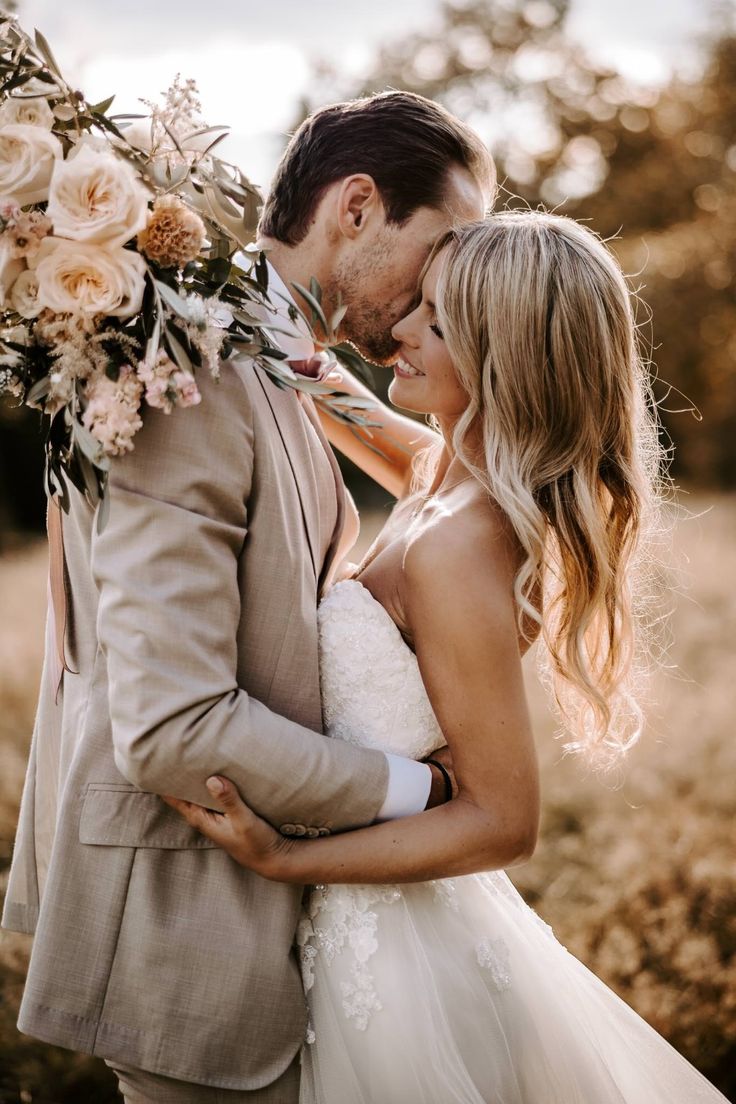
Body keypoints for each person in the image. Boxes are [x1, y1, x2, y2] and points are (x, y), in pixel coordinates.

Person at [167, 211, 730, 1103]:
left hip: (398, 955)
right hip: (361, 915)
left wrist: (283, 858)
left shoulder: (460, 547)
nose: (400, 330)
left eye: (435, 319)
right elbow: (326, 390)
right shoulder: (441, 475)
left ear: (503, 353)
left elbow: (505, 821)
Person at [1, 91, 494, 1104]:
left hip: (266, 909)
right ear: (355, 207)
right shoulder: (188, 370)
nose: (447, 283)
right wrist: (425, 795)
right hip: (191, 914)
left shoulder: (265, 354)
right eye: (444, 243)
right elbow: (177, 723)